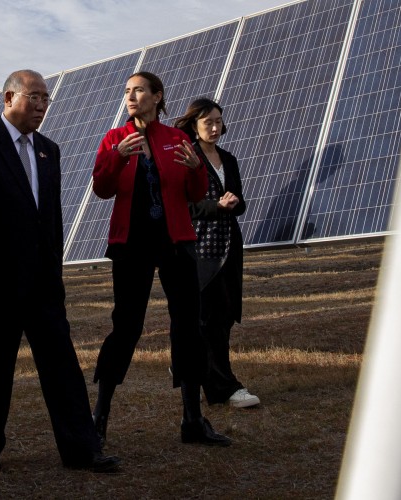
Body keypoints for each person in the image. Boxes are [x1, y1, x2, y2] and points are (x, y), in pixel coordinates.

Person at [0, 70, 121, 474]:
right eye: (34, 97)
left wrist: (55, 268)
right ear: (9, 97)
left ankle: (83, 449)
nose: (42, 106)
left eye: (46, 98)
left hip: (43, 282)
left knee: (61, 363)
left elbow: (52, 217)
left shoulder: (49, 150)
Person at [89, 71, 231, 447]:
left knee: (188, 325)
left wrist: (196, 167)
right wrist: (117, 159)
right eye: (127, 92)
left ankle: (192, 420)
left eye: (138, 91)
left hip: (176, 242)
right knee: (127, 326)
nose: (131, 97)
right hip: (131, 244)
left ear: (157, 96)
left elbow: (197, 192)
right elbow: (102, 189)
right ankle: (98, 420)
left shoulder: (177, 139)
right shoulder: (115, 139)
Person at [174, 98, 259, 409]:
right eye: (208, 121)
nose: (214, 127)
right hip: (199, 247)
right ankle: (223, 386)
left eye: (219, 121)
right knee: (205, 319)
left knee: (222, 317)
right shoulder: (187, 157)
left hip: (228, 247)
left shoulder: (229, 159)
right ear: (194, 124)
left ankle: (196, 374)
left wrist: (235, 204)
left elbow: (240, 202)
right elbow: (183, 206)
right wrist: (216, 206)